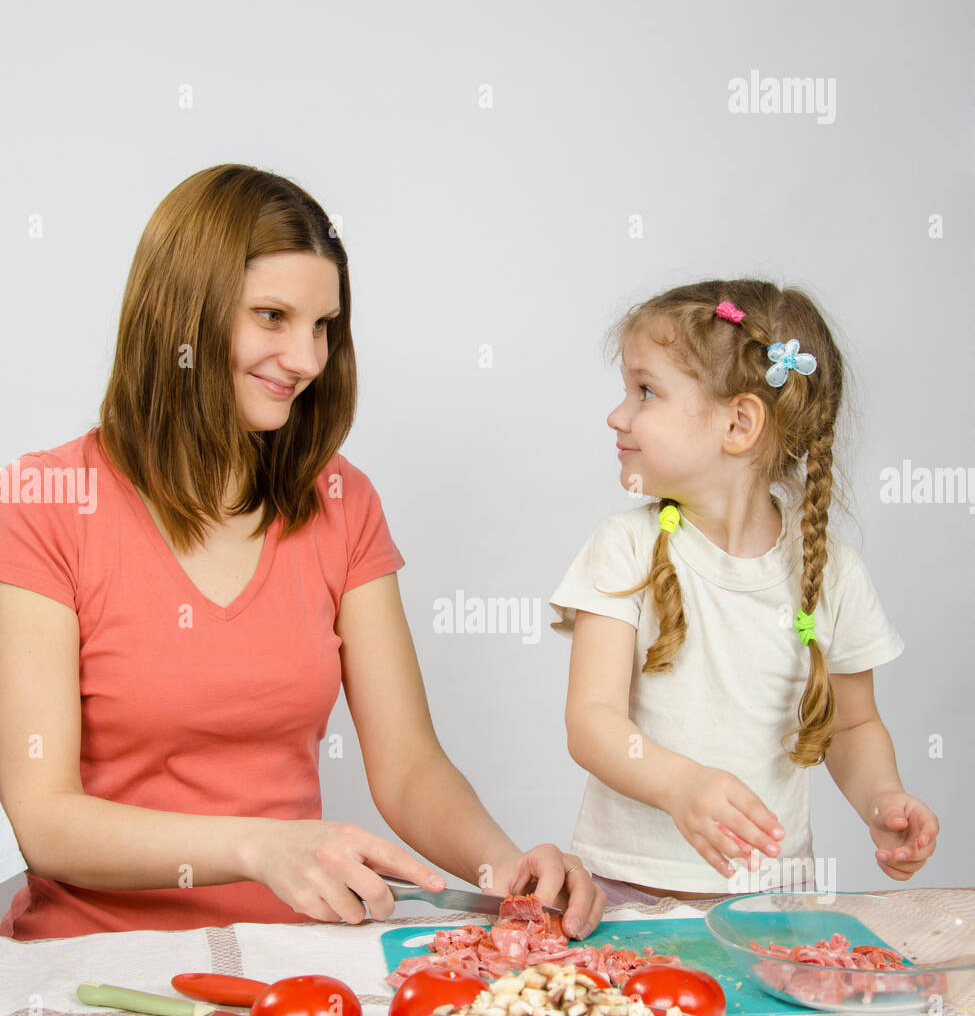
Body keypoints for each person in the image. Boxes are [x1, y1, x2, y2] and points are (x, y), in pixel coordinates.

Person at [0, 163, 604, 941]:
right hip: (97, 965)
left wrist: (506, 870)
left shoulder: (342, 502)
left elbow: (408, 766)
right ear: (179, 312)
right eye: (273, 316)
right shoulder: (44, 503)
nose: (309, 359)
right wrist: (258, 845)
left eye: (323, 326)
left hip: (296, 954)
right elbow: (45, 820)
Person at [549, 280, 940, 907]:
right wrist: (681, 785)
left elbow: (853, 723)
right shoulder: (622, 548)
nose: (617, 414)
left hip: (774, 906)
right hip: (630, 898)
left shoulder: (828, 573)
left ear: (739, 422)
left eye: (645, 391)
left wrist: (882, 798)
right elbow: (591, 724)